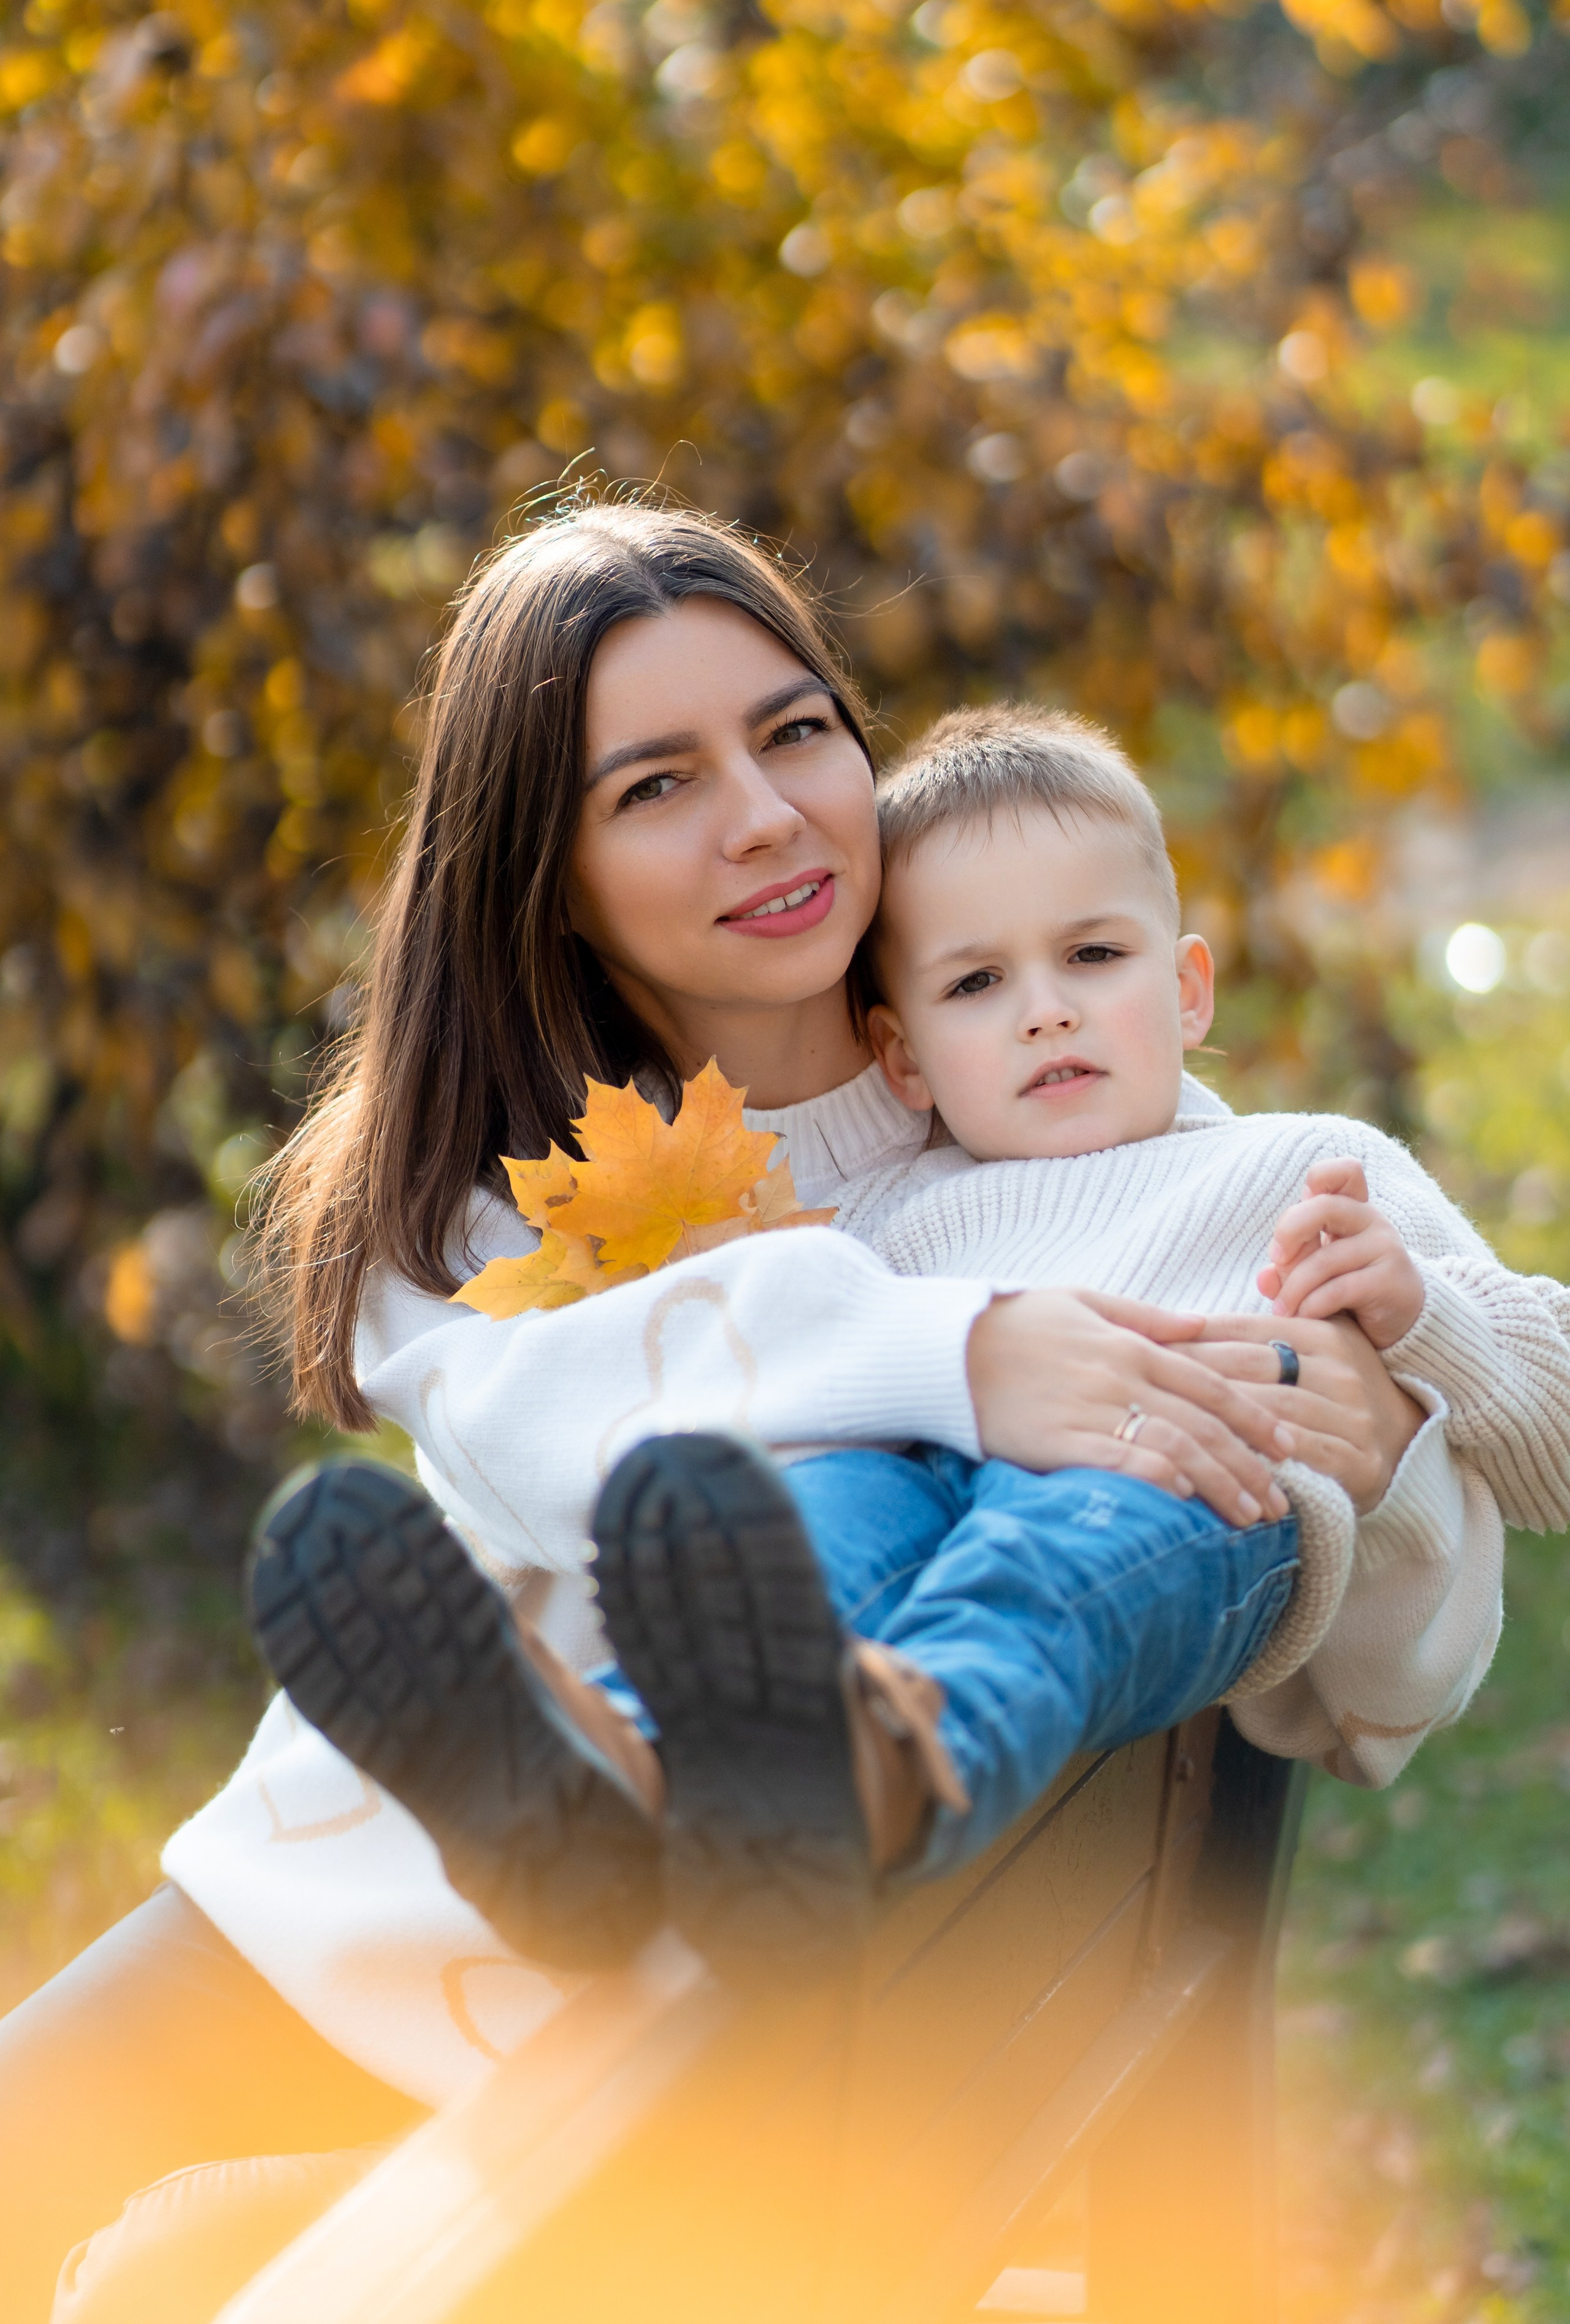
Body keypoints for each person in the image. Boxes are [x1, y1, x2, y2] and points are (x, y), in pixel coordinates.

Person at [0, 504, 1493, 2318]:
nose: (768, 814)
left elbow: (1371, 1672)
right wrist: (965, 1355)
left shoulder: (1062, 1116)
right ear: (542, 875)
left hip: (660, 2024)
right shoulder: (500, 1194)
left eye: (797, 733)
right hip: (328, 1923)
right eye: (655, 787)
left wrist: (1388, 1448)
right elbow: (556, 1431)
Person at [256, 699, 1534, 1977]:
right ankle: (604, 1777)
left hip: (1192, 1492)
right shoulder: (878, 1226)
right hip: (940, 1508)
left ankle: (897, 1767)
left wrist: (1427, 1331)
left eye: (1092, 957)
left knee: (1075, 1530)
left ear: (1185, 988)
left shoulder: (1309, 1174)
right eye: (976, 984)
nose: (1044, 1012)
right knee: (826, 1511)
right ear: (903, 1059)